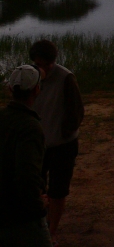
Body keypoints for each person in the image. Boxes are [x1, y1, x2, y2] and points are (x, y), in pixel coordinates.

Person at [29, 39, 84, 245]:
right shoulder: (29, 77)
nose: (42, 69)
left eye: (46, 64)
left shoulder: (65, 78)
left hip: (63, 145)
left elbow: (77, 111)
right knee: (36, 188)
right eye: (38, 64)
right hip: (38, 144)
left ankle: (52, 231)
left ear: (52, 61)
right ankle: (39, 226)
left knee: (58, 191)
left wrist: (65, 132)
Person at [0, 64, 52, 247]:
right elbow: (27, 175)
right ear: (37, 89)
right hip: (23, 216)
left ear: (10, 89)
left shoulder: (3, 117)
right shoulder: (30, 127)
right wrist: (38, 205)